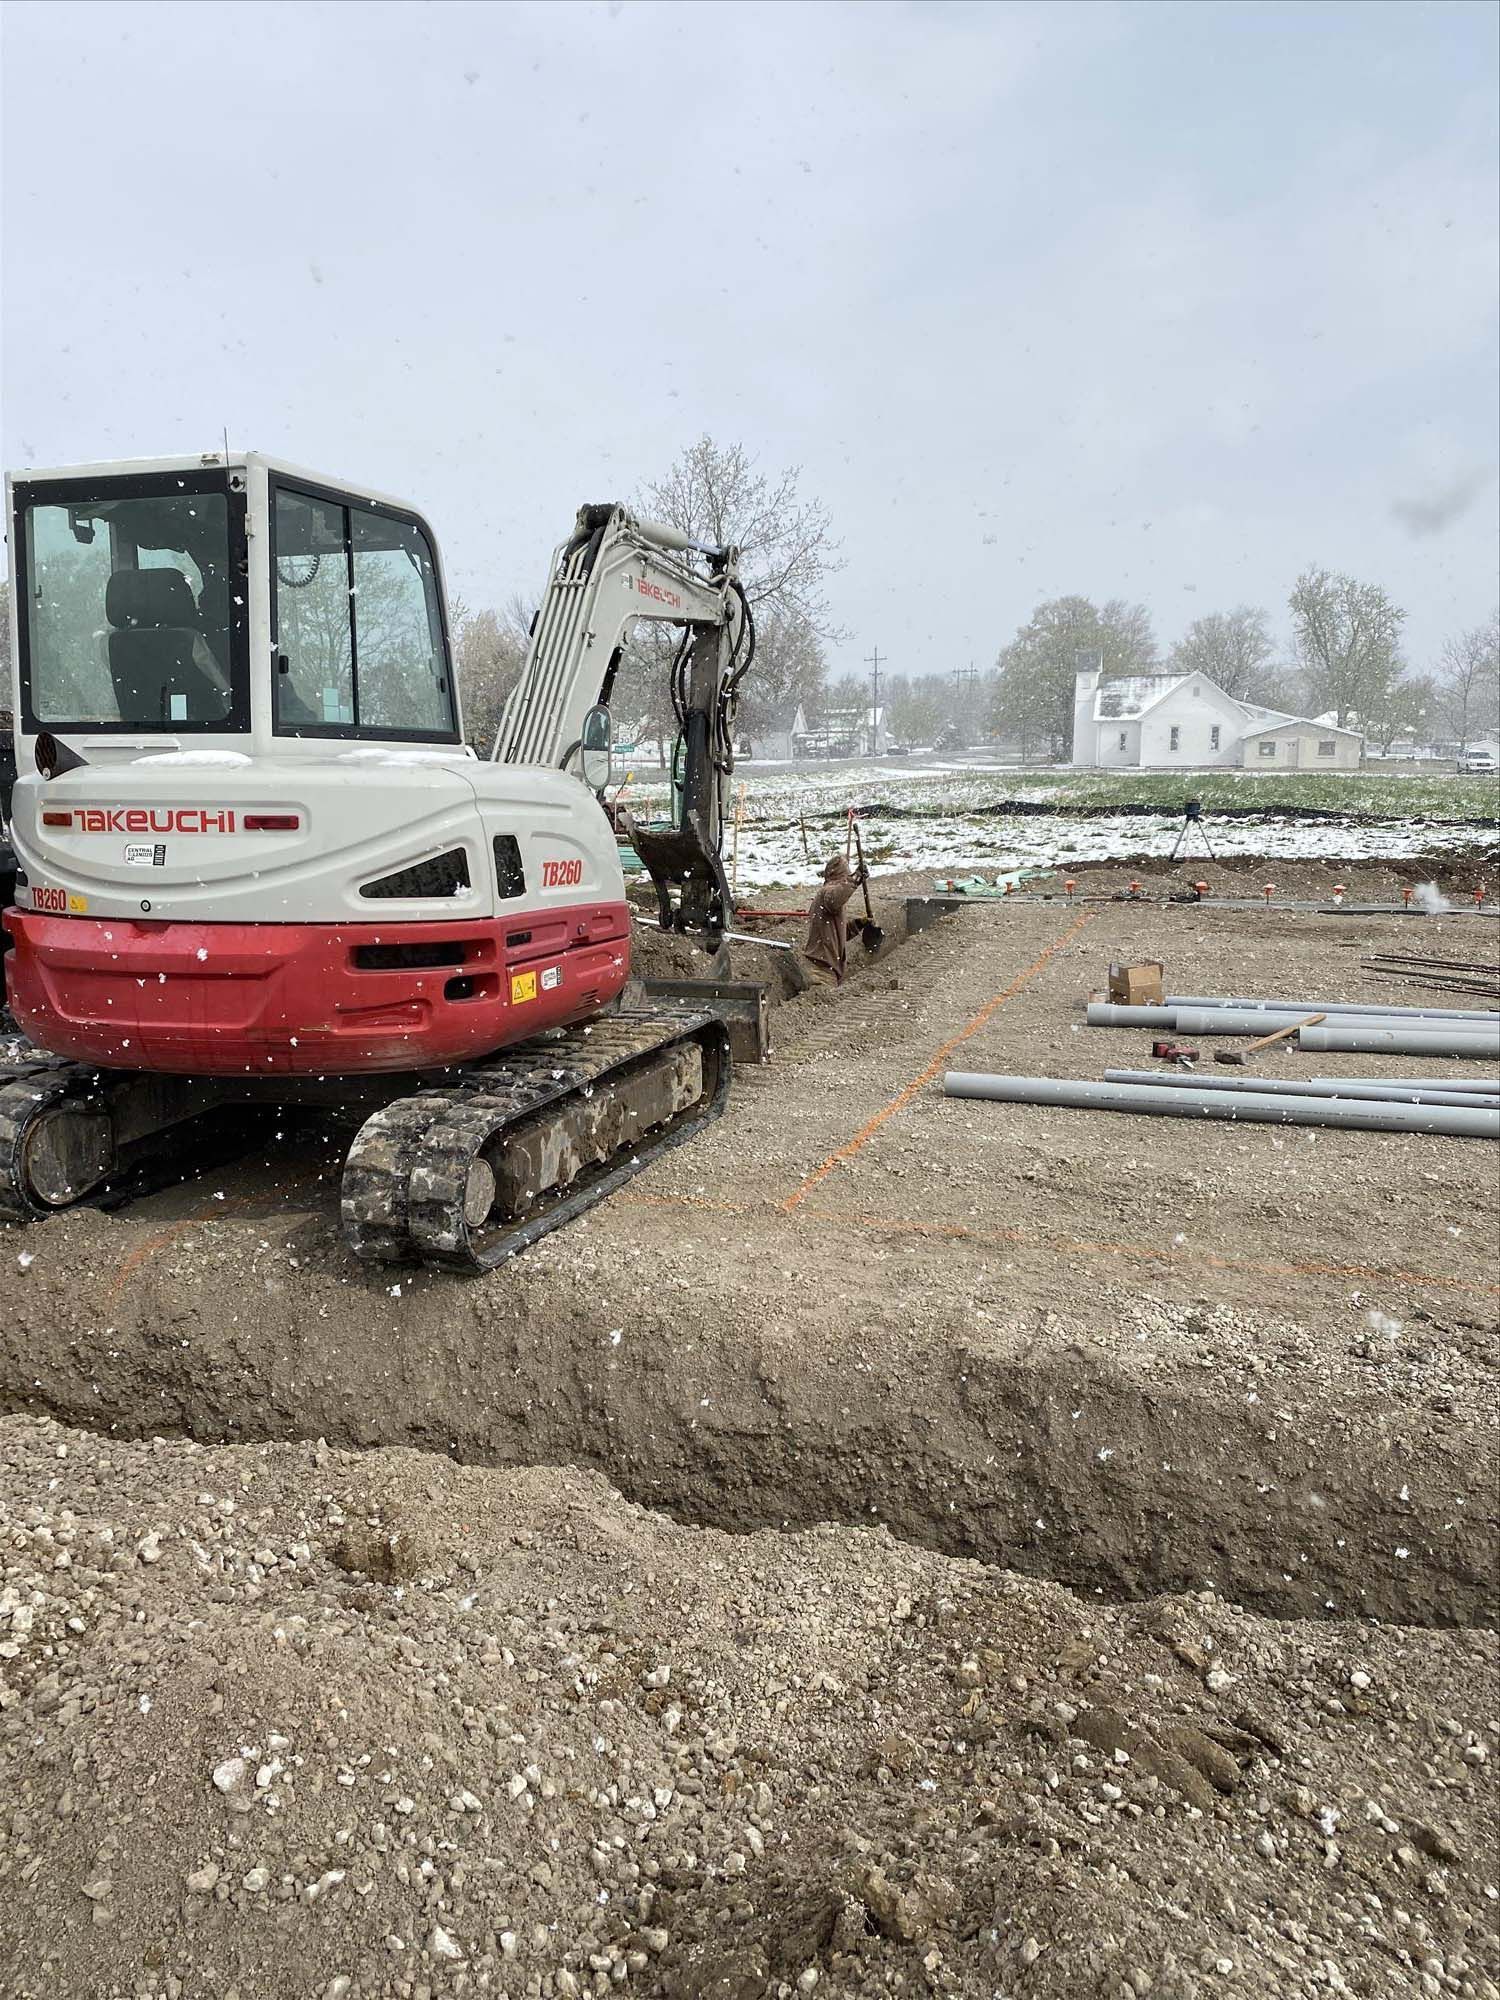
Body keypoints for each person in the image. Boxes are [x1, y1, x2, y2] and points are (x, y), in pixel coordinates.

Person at [802, 853, 867, 984]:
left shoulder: (828, 895)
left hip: (823, 966)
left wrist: (858, 924)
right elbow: (834, 899)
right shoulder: (828, 892)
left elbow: (837, 935)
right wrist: (854, 879)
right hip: (821, 970)